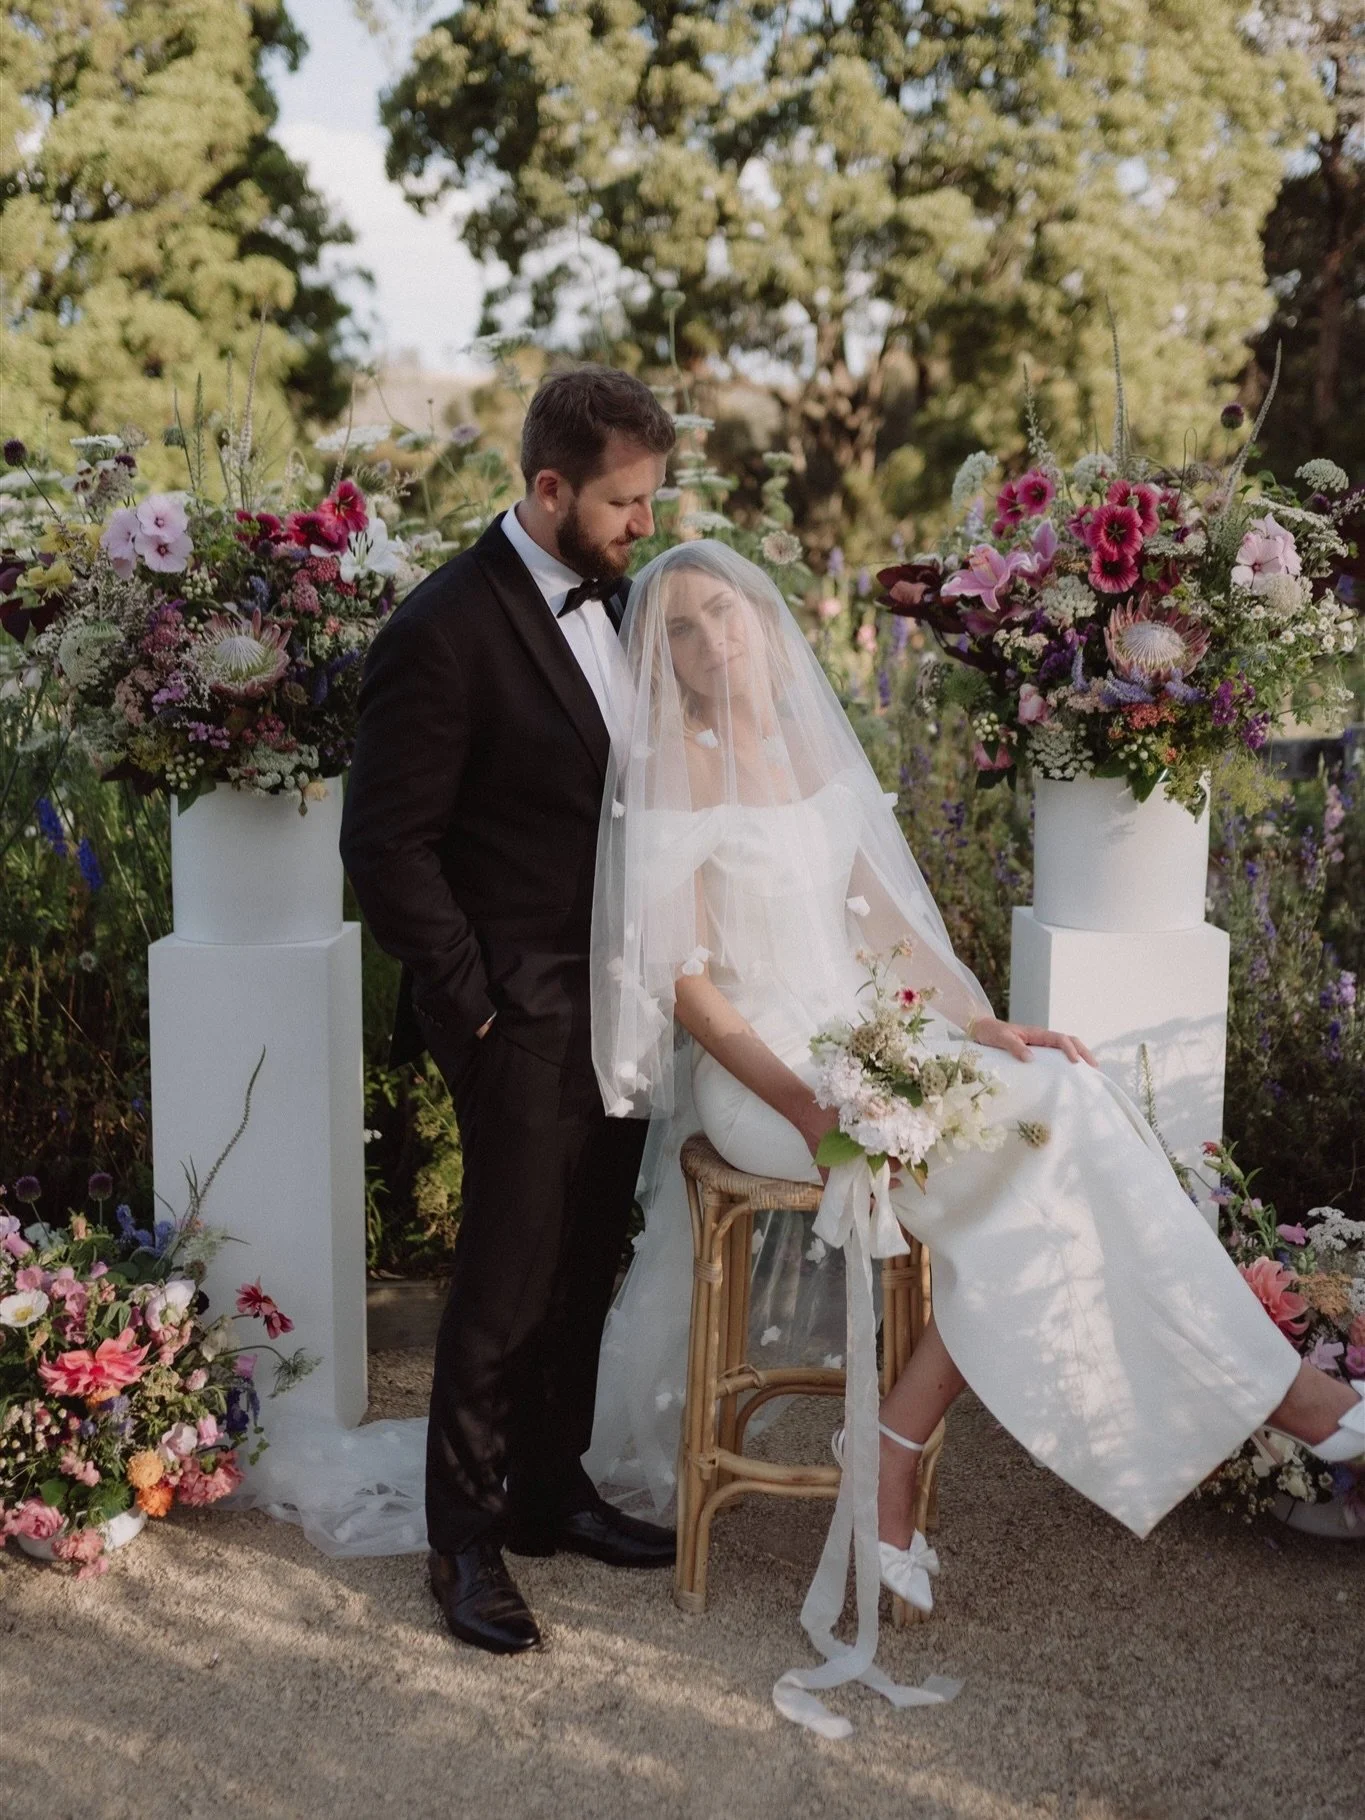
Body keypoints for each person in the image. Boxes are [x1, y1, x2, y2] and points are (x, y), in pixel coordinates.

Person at [586, 539, 1365, 1722]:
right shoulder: (671, 771)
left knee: (1068, 1100)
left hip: (873, 1032)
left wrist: (988, 1024)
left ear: (764, 618)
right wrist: (805, 1097)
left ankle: (897, 1436)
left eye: (728, 613)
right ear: (666, 657)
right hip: (764, 1078)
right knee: (1029, 1157)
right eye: (684, 628)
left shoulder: (811, 746)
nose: (714, 641)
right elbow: (692, 990)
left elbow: (892, 930)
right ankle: (1286, 1397)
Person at [340, 366, 679, 1657]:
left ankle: (547, 1490)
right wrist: (473, 1009)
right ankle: (464, 1537)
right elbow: (386, 846)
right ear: (548, 488)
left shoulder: (630, 604)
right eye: (621, 502)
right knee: (505, 1278)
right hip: (518, 1011)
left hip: (626, 1001)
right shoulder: (442, 628)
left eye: (649, 499)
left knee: (589, 1256)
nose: (641, 526)